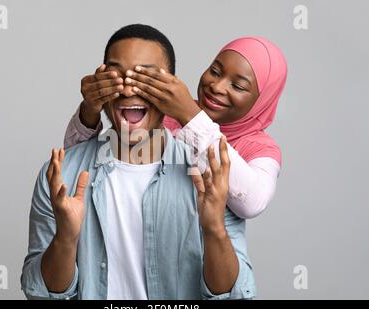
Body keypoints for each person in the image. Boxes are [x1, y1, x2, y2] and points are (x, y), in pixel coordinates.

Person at [21, 24, 255, 300]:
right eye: (117, 76)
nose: (130, 89)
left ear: (172, 88)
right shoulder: (64, 174)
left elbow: (236, 296)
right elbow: (42, 295)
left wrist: (214, 228)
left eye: (147, 78)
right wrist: (65, 239)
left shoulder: (208, 174)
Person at [65, 35, 288, 219]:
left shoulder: (261, 150)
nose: (216, 86)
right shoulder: (166, 110)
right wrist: (90, 107)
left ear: (263, 99)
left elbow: (251, 203)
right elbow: (76, 163)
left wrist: (190, 115)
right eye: (215, 71)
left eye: (238, 86)